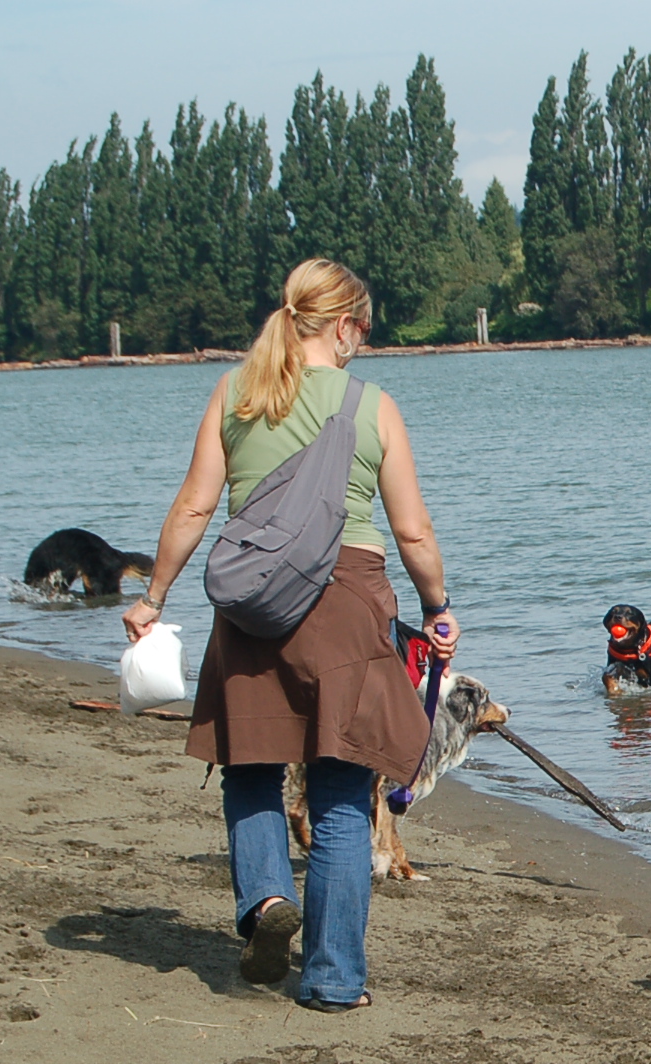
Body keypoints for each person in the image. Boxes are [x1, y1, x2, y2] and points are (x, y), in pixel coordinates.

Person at [122, 258, 460, 1014]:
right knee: (340, 791)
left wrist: (153, 597)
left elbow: (192, 508)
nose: (360, 344)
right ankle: (335, 979)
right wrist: (439, 607)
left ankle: (268, 900)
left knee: (250, 768)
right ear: (343, 325)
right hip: (346, 601)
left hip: (251, 607)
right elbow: (412, 529)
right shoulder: (372, 406)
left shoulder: (235, 393)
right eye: (362, 330)